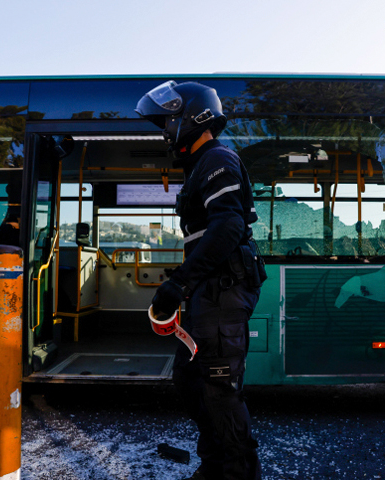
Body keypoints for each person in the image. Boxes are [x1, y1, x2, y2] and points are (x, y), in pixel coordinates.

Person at [136, 81, 266, 480]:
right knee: (190, 380)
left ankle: (238, 472)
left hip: (223, 291)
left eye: (167, 121)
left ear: (193, 117)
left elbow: (227, 226)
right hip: (208, 293)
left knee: (219, 389)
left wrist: (178, 284)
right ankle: (215, 465)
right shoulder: (201, 165)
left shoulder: (216, 159)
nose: (164, 131)